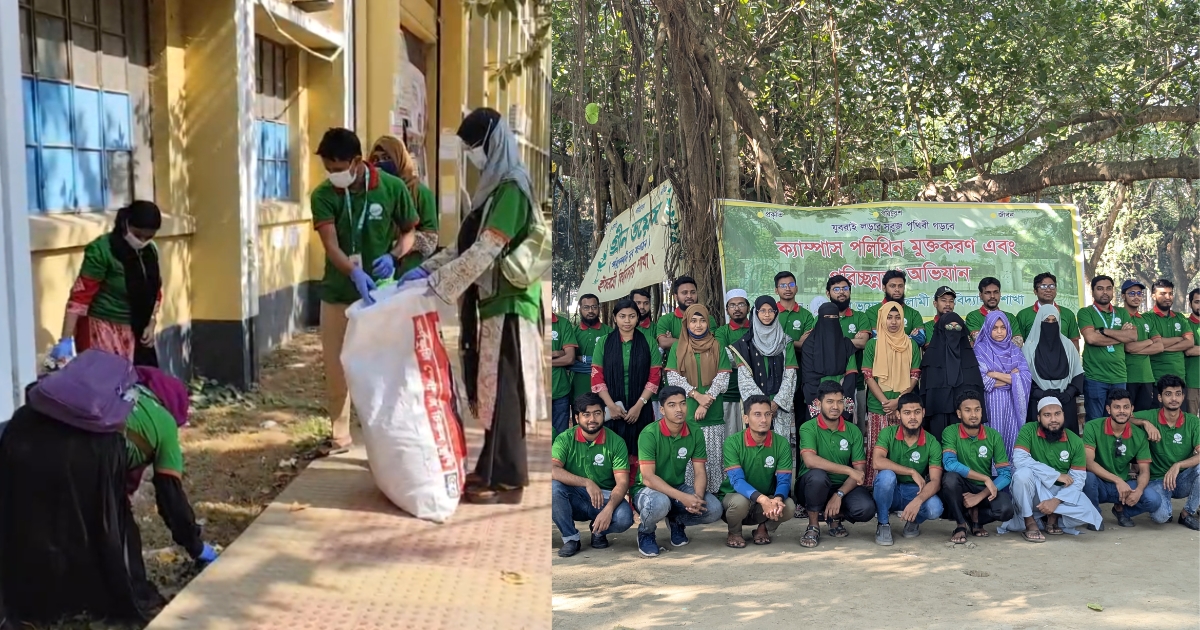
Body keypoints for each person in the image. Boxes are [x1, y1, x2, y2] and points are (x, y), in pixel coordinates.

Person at [398, 110, 543, 502]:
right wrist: (424, 271)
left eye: (474, 147)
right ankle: (493, 470)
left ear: (492, 144)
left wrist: (436, 284)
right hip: (493, 303)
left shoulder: (512, 187)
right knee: (493, 389)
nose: (471, 156)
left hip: (511, 304)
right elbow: (462, 248)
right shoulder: (492, 191)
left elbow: (487, 250)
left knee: (504, 391)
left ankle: (507, 478)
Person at [311, 128, 419, 457]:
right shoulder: (323, 195)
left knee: (381, 366)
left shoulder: (392, 188)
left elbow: (409, 233)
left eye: (337, 168)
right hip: (338, 293)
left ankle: (383, 436)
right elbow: (330, 245)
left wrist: (394, 256)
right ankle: (340, 435)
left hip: (380, 297)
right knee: (336, 365)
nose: (333, 175)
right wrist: (353, 272)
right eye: (328, 169)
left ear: (357, 162)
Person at [49, 201, 165, 368]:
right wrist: (66, 340)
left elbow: (154, 291)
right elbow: (79, 298)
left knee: (139, 385)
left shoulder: (149, 251)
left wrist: (151, 322)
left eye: (149, 237)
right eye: (138, 234)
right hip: (102, 332)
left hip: (136, 332)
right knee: (105, 385)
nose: (142, 241)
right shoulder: (102, 251)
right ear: (126, 224)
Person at [630, 386, 722, 557]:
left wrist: (697, 499)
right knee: (660, 503)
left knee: (714, 509)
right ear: (662, 410)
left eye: (682, 404)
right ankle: (646, 532)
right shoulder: (649, 434)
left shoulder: (695, 432)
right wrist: (683, 498)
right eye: (672, 405)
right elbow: (648, 478)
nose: (679, 409)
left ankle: (676, 520)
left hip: (677, 487)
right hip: (646, 490)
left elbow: (700, 472)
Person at [998, 397, 1102, 541]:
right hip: (1035, 491)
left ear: (1063, 415)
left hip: (1060, 493)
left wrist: (1056, 501)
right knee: (1022, 475)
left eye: (1057, 414)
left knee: (1087, 512)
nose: (1053, 419)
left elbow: (1078, 480)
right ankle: (1029, 521)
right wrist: (1055, 475)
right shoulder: (1029, 430)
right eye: (1047, 415)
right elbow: (1019, 460)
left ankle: (1051, 517)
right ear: (1039, 418)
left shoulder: (1075, 441)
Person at [551, 394, 635, 557]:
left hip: (603, 498)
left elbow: (622, 483)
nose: (592, 419)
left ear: (604, 415)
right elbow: (553, 470)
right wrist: (587, 483)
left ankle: (598, 531)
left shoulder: (616, 442)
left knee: (625, 518)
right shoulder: (565, 439)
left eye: (597, 413)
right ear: (577, 418)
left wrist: (608, 509)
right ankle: (571, 539)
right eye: (586, 414)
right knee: (553, 488)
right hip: (574, 496)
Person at [794, 381, 875, 549]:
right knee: (818, 476)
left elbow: (859, 472)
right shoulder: (808, 428)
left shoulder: (853, 431)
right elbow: (810, 461)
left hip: (842, 486)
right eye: (830, 402)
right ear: (818, 403)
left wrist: (839, 494)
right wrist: (847, 470)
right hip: (811, 486)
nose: (835, 406)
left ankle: (834, 517)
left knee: (866, 509)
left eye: (839, 401)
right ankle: (813, 525)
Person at [665, 304, 731, 496]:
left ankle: (713, 501)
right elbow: (674, 379)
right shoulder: (678, 347)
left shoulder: (717, 345)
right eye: (693, 321)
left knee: (712, 458)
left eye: (702, 320)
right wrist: (697, 396)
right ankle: (688, 499)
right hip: (686, 413)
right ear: (686, 323)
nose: (698, 325)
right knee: (688, 460)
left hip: (713, 414)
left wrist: (706, 401)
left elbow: (723, 377)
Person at [719, 395, 795, 547]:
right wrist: (763, 499)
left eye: (767, 414)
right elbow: (737, 481)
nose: (764, 420)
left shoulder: (781, 443)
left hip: (764, 503)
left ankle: (763, 529)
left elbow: (784, 480)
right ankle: (734, 532)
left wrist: (777, 499)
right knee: (740, 502)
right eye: (757, 414)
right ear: (746, 418)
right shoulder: (732, 442)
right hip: (736, 500)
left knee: (789, 506)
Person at [591, 298, 662, 458]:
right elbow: (597, 378)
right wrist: (611, 406)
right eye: (622, 316)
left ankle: (639, 482)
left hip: (641, 407)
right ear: (615, 318)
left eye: (632, 316)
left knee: (642, 450)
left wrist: (638, 406)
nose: (627, 321)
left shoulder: (649, 342)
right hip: (612, 406)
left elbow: (654, 377)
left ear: (638, 317)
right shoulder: (604, 342)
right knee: (611, 452)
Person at [940, 390, 1014, 542]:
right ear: (959, 414)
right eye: (967, 410)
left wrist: (980, 496)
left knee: (1006, 510)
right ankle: (961, 525)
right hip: (962, 486)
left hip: (982, 489)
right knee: (950, 479)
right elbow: (949, 464)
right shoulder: (950, 431)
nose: (973, 415)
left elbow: (1005, 473)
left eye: (977, 410)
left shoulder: (993, 435)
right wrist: (985, 478)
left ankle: (975, 519)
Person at [871, 393, 945, 545]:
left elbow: (936, 481)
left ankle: (913, 520)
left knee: (935, 508)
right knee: (886, 477)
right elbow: (877, 462)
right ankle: (883, 524)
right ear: (898, 414)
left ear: (923, 413)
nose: (913, 417)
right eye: (907, 412)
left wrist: (918, 500)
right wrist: (911, 471)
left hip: (913, 492)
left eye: (917, 412)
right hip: (890, 491)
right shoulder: (888, 433)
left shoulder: (932, 442)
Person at [861, 302, 921, 485]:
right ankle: (876, 488)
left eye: (897, 317)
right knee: (877, 448)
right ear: (882, 319)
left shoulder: (910, 344)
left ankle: (903, 488)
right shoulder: (873, 344)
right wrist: (887, 402)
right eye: (889, 317)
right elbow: (868, 375)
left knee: (902, 448)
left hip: (904, 406)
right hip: (879, 406)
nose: (893, 322)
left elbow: (914, 375)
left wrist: (899, 401)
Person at [1081, 389, 1160, 528]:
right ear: (1108, 409)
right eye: (1117, 407)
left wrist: (1139, 490)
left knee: (1154, 500)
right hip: (1100, 484)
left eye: (1126, 407)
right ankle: (1094, 515)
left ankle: (1123, 511)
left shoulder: (1139, 435)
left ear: (1132, 410)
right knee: (1087, 478)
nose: (1122, 411)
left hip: (1125, 486)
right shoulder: (1092, 427)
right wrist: (1117, 480)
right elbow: (1088, 463)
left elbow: (1144, 471)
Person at [730, 297, 799, 450]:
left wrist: (776, 403)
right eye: (762, 311)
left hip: (779, 404)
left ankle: (781, 475)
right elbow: (744, 378)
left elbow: (790, 375)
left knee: (780, 446)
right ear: (755, 313)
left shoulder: (786, 342)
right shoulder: (744, 344)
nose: (767, 315)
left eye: (771, 311)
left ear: (776, 313)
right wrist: (763, 406)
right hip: (755, 407)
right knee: (754, 447)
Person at [1132, 375, 1200, 530]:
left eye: (1177, 394)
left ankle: (1187, 513)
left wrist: (1178, 465)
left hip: (1182, 478)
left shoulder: (1193, 421)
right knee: (1161, 517)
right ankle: (1166, 509)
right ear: (1160, 397)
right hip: (1158, 480)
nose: (1173, 398)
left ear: (1183, 397)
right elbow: (1124, 417)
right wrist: (1144, 423)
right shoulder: (1151, 415)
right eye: (1168, 394)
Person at [368, 134, 439, 276]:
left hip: (409, 272)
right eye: (375, 159)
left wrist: (398, 246)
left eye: (387, 158)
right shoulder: (371, 191)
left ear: (399, 159)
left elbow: (431, 238)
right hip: (375, 271)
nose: (380, 163)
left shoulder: (420, 193)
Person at [972, 310, 1032, 460]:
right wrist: (1012, 376)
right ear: (987, 328)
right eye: (995, 328)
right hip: (990, 403)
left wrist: (995, 374)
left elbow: (1025, 377)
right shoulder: (980, 349)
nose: (999, 332)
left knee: (1012, 437)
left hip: (1013, 403)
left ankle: (1011, 474)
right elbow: (982, 380)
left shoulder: (1015, 350)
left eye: (1003, 327)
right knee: (993, 436)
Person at [1078, 275, 1137, 422]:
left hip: (1119, 376)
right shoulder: (1085, 312)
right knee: (1095, 421)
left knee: (1119, 420)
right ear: (1092, 292)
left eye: (1108, 288)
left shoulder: (1122, 312)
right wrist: (1121, 335)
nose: (1105, 292)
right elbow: (1091, 338)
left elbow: (1132, 336)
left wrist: (1104, 331)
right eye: (1100, 289)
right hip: (1095, 377)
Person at [921, 311, 987, 436]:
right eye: (949, 327)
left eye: (957, 327)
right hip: (938, 417)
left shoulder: (969, 357)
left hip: (964, 417)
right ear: (941, 329)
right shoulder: (931, 357)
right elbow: (925, 393)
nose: (953, 330)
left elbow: (976, 390)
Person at [1024, 305, 1086, 434]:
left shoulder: (1068, 345)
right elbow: (1024, 379)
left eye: (1054, 321)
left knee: (1067, 438)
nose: (1050, 325)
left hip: (1065, 400)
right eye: (1046, 321)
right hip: (1038, 401)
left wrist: (1069, 393)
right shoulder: (1028, 349)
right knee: (1040, 438)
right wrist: (1041, 394)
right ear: (1039, 323)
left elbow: (1077, 373)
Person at [799, 302, 859, 425]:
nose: (831, 321)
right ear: (820, 320)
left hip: (841, 399)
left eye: (834, 318)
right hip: (816, 399)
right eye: (827, 318)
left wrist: (840, 403)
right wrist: (821, 404)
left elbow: (851, 375)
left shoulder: (847, 345)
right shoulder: (809, 346)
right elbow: (808, 378)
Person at [714, 289, 752, 438]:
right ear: (727, 310)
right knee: (730, 437)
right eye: (732, 305)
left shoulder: (756, 329)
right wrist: (752, 359)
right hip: (730, 393)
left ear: (748, 307)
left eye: (741, 304)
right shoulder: (722, 332)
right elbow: (724, 357)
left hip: (754, 393)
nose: (737, 309)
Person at [1120, 280, 1162, 411]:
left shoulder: (1146, 319)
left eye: (1139, 293)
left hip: (1147, 377)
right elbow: (1128, 347)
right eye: (1132, 293)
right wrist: (1149, 341)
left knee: (1144, 416)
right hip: (1127, 377)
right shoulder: (1120, 317)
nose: (1136, 296)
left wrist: (1137, 346)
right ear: (1123, 296)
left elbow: (1160, 346)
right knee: (1126, 417)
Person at [1013, 272, 1080, 349]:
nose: (1048, 290)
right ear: (1035, 291)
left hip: (1062, 360)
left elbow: (1074, 343)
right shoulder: (1023, 315)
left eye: (1052, 286)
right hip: (1033, 360)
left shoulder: (1068, 314)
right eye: (1043, 286)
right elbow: (1018, 345)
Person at [1148, 278, 1193, 389]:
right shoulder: (1147, 318)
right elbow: (1153, 342)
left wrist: (1161, 347)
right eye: (1163, 294)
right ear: (1153, 296)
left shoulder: (1180, 318)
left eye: (1170, 293)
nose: (1168, 297)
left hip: (1180, 378)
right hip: (1157, 379)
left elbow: (1189, 343)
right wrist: (1178, 339)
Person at [655, 276, 716, 357]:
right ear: (676, 297)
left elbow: (709, 343)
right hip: (675, 366)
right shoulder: (665, 320)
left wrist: (673, 341)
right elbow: (663, 342)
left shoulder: (708, 319)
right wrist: (698, 342)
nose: (689, 296)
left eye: (693, 292)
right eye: (684, 293)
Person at [569, 293, 611, 401]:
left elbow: (611, 362)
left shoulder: (609, 332)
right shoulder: (572, 333)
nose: (590, 311)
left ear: (599, 308)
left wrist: (582, 359)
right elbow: (569, 363)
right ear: (580, 310)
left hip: (605, 389)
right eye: (586, 307)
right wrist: (598, 366)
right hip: (578, 388)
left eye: (594, 307)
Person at [864, 270, 926, 342]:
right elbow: (876, 339)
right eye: (892, 286)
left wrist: (885, 336)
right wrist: (909, 337)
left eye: (900, 286)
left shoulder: (914, 314)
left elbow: (920, 339)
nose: (897, 289)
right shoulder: (872, 312)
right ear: (884, 288)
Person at [551, 313, 579, 437]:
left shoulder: (562, 323)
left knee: (560, 436)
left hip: (559, 391)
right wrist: (559, 353)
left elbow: (570, 358)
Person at [965, 277, 1015, 344]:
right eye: (987, 293)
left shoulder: (1010, 317)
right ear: (980, 295)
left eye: (996, 292)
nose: (992, 296)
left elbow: (1018, 342)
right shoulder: (973, 316)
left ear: (1000, 294)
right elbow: (980, 341)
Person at [1186, 288, 1200, 412]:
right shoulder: (1185, 324)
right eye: (1197, 302)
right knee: (1191, 422)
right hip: (1192, 383)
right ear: (1190, 304)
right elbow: (1188, 350)